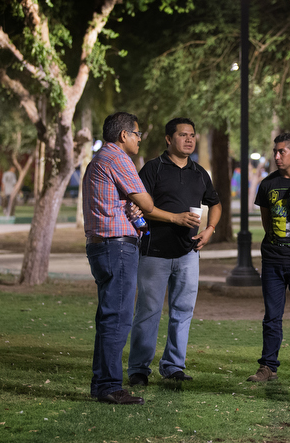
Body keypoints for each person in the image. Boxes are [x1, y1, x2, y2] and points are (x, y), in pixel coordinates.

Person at [128, 117, 222, 385]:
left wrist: (210, 229)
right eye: (183, 135)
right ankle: (138, 369)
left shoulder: (199, 173)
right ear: (169, 139)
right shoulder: (153, 169)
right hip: (154, 252)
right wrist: (176, 218)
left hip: (188, 254)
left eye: (192, 135)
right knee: (148, 312)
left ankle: (173, 366)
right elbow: (142, 208)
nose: (189, 139)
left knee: (182, 312)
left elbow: (215, 203)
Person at [83, 111, 155, 405]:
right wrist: (139, 204)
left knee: (107, 317)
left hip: (100, 245)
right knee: (118, 318)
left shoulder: (98, 160)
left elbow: (124, 202)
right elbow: (147, 202)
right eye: (137, 134)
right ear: (124, 135)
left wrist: (131, 205)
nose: (139, 139)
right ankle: (111, 385)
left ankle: (101, 384)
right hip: (118, 248)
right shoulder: (118, 158)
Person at [247, 132, 290, 383]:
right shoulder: (267, 184)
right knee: (271, 317)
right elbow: (267, 223)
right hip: (274, 260)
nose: (276, 156)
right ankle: (268, 366)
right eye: (275, 151)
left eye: (282, 152)